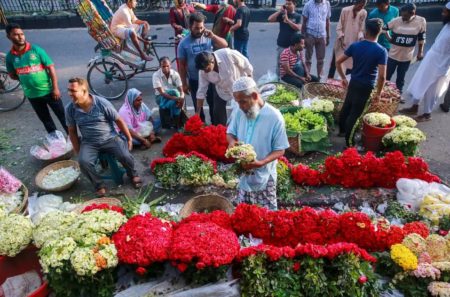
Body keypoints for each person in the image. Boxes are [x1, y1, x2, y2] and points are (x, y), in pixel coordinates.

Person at [65, 77, 142, 196]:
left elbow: (119, 121)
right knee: (83, 161)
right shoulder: (70, 109)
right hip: (89, 142)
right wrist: (77, 150)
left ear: (84, 91)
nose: (69, 93)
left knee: (125, 155)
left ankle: (133, 174)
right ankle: (99, 185)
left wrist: (129, 138)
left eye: (73, 91)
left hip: (110, 138)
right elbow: (72, 131)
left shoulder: (101, 103)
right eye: (68, 90)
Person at [227, 77, 289, 210]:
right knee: (244, 211)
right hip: (244, 171)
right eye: (238, 102)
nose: (240, 106)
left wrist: (260, 163)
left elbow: (280, 150)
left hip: (265, 174)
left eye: (243, 102)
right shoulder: (239, 111)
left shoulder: (274, 117)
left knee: (265, 215)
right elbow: (230, 132)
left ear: (255, 96)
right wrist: (232, 143)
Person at [5, 23, 68, 134]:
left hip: (50, 92)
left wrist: (55, 88)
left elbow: (51, 68)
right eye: (16, 35)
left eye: (22, 34)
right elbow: (12, 75)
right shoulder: (10, 57)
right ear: (9, 37)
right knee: (46, 121)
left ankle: (74, 139)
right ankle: (57, 143)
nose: (20, 37)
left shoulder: (36, 50)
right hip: (32, 95)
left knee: (64, 118)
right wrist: (26, 80)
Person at [336, 18, 388, 147]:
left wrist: (343, 78)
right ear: (379, 32)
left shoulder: (356, 46)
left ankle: (342, 131)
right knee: (356, 114)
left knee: (347, 107)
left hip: (354, 81)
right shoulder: (381, 51)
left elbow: (338, 62)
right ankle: (349, 143)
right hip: (366, 86)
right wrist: (379, 93)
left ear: (366, 31)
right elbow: (382, 77)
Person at [400, 3, 450, 122]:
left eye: (446, 12)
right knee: (420, 82)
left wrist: (445, 66)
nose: (442, 13)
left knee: (432, 89)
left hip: (441, 63)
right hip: (431, 58)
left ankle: (427, 114)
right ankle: (414, 107)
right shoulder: (447, 24)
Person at [177, 12, 228, 123]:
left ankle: (215, 129)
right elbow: (182, 65)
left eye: (201, 27)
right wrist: (184, 84)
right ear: (190, 27)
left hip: (211, 79)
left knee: (214, 106)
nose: (199, 31)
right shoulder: (183, 44)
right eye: (196, 28)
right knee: (198, 107)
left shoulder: (208, 37)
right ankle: (201, 128)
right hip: (195, 80)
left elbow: (225, 45)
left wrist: (213, 36)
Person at [194, 48, 253, 125]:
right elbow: (201, 90)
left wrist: (249, 85)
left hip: (240, 88)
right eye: (203, 70)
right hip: (221, 91)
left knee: (243, 115)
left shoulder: (227, 54)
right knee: (217, 113)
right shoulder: (202, 71)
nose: (205, 71)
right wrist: (198, 112)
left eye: (206, 68)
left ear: (212, 61)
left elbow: (246, 65)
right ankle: (221, 131)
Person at [385, 3, 426, 101]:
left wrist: (420, 52)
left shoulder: (421, 21)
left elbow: (421, 38)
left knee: (401, 78)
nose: (403, 18)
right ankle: (384, 92)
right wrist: (389, 38)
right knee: (387, 76)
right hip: (393, 55)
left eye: (405, 16)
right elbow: (383, 28)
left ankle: (398, 95)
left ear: (413, 13)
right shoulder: (396, 21)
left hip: (407, 57)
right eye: (402, 15)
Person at [328, 0, 367, 79]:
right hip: (342, 42)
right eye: (360, 5)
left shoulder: (364, 12)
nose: (361, 7)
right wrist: (341, 36)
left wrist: (361, 39)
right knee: (335, 63)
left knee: (350, 65)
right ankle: (329, 80)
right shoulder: (345, 10)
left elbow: (361, 29)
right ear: (356, 3)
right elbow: (339, 27)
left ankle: (346, 83)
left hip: (354, 43)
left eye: (363, 6)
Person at [268, 0, 301, 76]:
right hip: (282, 44)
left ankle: (293, 81)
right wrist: (279, 11)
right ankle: (278, 81)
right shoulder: (282, 15)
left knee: (294, 65)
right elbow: (270, 19)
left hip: (293, 46)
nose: (287, 6)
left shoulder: (298, 16)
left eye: (289, 4)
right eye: (286, 4)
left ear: (294, 5)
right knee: (280, 65)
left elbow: (298, 28)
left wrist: (287, 20)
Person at [301, 0, 331, 79]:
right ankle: (307, 78)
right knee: (308, 59)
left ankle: (319, 79)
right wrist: (302, 38)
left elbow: (327, 21)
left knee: (321, 60)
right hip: (310, 35)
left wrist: (328, 36)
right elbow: (304, 22)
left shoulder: (327, 4)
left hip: (322, 35)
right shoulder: (308, 5)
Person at [152, 56, 185, 128]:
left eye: (167, 66)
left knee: (176, 95)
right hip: (160, 97)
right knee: (175, 93)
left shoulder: (175, 74)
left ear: (170, 65)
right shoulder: (156, 75)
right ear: (160, 66)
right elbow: (162, 93)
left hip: (175, 96)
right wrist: (177, 99)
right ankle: (177, 122)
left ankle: (174, 121)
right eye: (163, 66)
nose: (165, 68)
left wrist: (181, 99)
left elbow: (181, 91)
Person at [169, 0, 196, 69]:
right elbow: (172, 22)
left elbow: (195, 17)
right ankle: (181, 71)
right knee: (180, 54)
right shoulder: (173, 10)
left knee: (191, 52)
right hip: (179, 35)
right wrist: (178, 27)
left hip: (190, 33)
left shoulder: (189, 7)